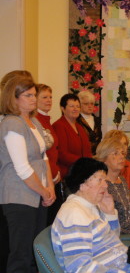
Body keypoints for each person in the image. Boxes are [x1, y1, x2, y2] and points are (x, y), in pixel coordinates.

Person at [0, 70, 55, 273]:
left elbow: (44, 157)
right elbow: (22, 168)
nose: (34, 99)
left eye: (34, 94)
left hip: (36, 194)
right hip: (18, 196)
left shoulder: (34, 122)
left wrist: (50, 187)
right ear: (13, 99)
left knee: (34, 253)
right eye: (28, 95)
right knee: (20, 256)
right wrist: (43, 191)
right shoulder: (12, 123)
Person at [51, 157, 130, 273]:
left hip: (124, 264)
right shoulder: (74, 214)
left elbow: (110, 243)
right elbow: (79, 267)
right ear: (82, 184)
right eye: (100, 180)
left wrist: (110, 214)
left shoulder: (90, 206)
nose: (105, 185)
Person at [95, 138, 130, 234]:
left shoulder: (122, 180)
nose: (121, 157)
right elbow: (105, 226)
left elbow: (129, 218)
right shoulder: (102, 186)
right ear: (104, 159)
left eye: (122, 153)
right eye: (115, 153)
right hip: (119, 237)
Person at [36, 84, 63, 224]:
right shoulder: (36, 120)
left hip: (52, 177)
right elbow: (42, 153)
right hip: (44, 179)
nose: (49, 100)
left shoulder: (46, 120)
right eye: (44, 97)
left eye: (50, 97)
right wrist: (53, 172)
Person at [103, 130, 130, 210]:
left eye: (125, 144)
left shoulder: (126, 164)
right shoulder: (99, 170)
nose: (123, 147)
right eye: (119, 143)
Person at [53, 94, 92, 179]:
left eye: (78, 106)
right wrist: (82, 162)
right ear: (63, 109)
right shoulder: (59, 126)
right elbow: (62, 154)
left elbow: (87, 150)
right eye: (72, 106)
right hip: (68, 175)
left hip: (82, 174)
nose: (75, 109)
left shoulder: (80, 127)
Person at [77, 90, 102, 155]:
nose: (90, 106)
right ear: (79, 105)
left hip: (96, 156)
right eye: (86, 104)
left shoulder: (97, 120)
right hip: (81, 156)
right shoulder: (76, 120)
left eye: (92, 103)